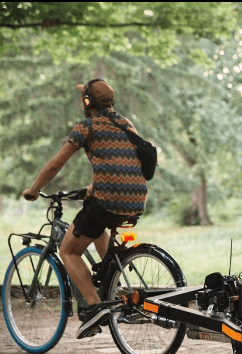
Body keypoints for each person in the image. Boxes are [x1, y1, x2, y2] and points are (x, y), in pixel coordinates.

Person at [22, 79, 148, 339]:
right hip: (136, 199)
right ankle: (117, 289)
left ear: (87, 102)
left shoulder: (87, 126)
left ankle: (94, 307)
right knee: (97, 227)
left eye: (83, 98)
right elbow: (125, 161)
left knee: (68, 251)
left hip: (108, 201)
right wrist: (94, 185)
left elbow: (55, 165)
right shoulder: (126, 124)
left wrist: (34, 189)